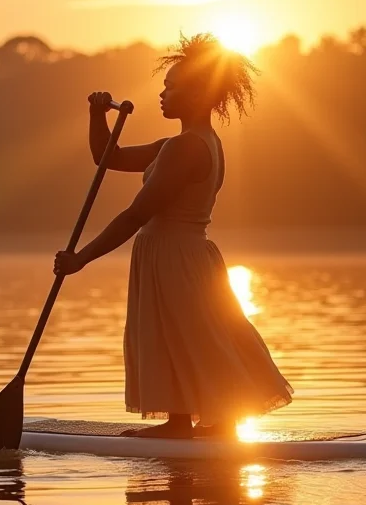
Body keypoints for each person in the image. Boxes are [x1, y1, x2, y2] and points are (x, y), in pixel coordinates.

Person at [54, 32, 293, 438]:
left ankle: (196, 424)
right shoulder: (185, 143)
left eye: (172, 87)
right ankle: (190, 423)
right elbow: (107, 158)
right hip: (181, 255)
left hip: (175, 256)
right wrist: (99, 116)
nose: (162, 94)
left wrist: (81, 259)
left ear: (199, 94)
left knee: (189, 335)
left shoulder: (187, 149)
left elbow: (136, 215)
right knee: (182, 335)